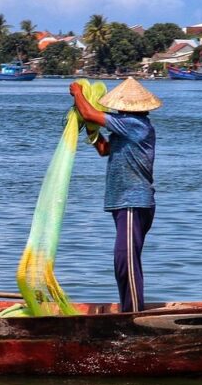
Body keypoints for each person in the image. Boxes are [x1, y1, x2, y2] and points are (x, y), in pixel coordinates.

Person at [69, 78, 161, 313]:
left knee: (125, 261)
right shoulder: (124, 128)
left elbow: (89, 113)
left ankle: (132, 315)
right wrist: (92, 134)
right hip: (122, 202)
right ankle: (128, 309)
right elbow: (103, 149)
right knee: (123, 260)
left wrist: (78, 92)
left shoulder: (136, 124)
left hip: (134, 201)